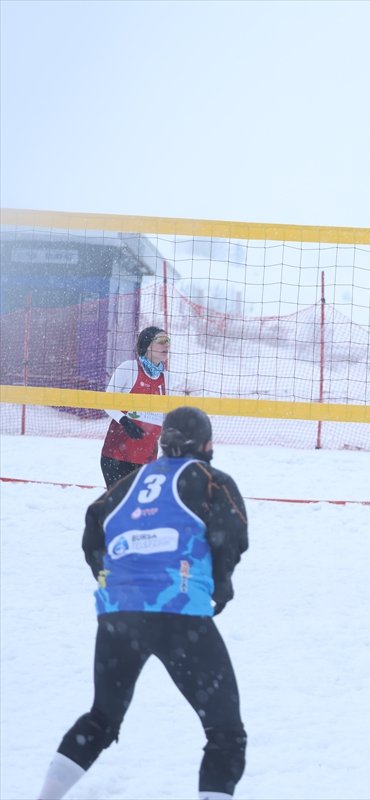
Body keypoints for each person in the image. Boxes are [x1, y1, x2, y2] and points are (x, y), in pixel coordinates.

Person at [38, 406, 249, 800]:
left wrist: (111, 579)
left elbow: (93, 528)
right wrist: (221, 587)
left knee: (101, 718)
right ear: (207, 445)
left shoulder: (128, 484)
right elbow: (231, 535)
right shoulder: (211, 480)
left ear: (163, 441)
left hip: (118, 615)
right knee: (225, 733)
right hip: (178, 613)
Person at [100, 325, 170, 487]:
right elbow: (105, 401)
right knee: (121, 502)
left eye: (168, 341)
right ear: (147, 344)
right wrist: (125, 421)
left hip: (147, 459)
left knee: (141, 503)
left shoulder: (167, 377)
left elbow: (166, 415)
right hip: (117, 456)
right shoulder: (129, 368)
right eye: (161, 340)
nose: (166, 345)